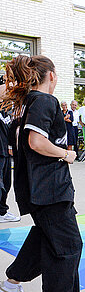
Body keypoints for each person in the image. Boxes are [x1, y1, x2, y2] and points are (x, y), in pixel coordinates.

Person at [0, 55, 82, 292]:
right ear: (52, 75)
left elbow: (19, 145)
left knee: (44, 237)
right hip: (50, 191)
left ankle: (12, 282)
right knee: (67, 248)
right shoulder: (45, 101)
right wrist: (66, 154)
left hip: (37, 190)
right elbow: (36, 142)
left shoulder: (26, 106)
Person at [0, 79, 20, 223]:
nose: (8, 90)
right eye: (5, 87)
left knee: (6, 184)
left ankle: (2, 212)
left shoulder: (8, 110)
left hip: (5, 152)